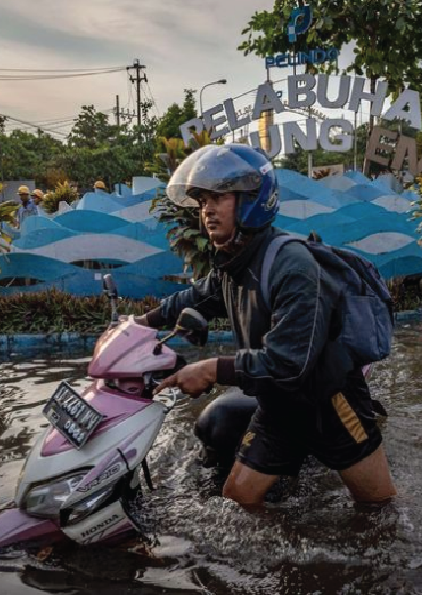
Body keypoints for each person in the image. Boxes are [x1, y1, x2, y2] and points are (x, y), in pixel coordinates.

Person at [139, 144, 397, 508]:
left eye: (218, 198)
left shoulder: (292, 264)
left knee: (378, 510)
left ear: (251, 201)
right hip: (279, 406)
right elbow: (199, 297)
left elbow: (288, 363)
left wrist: (212, 369)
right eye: (201, 202)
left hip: (331, 404)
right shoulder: (234, 261)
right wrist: (142, 322)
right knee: (237, 502)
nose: (207, 210)